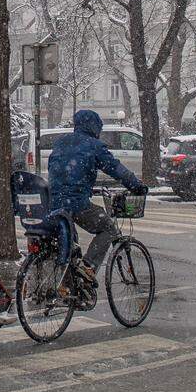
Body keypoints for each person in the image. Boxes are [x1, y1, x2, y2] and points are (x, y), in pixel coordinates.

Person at [47, 110, 148, 281]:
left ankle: (68, 284)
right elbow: (116, 169)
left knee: (70, 245)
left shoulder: (61, 143)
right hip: (76, 202)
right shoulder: (94, 146)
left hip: (54, 202)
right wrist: (136, 185)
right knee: (108, 227)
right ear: (95, 127)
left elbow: (58, 170)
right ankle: (88, 267)